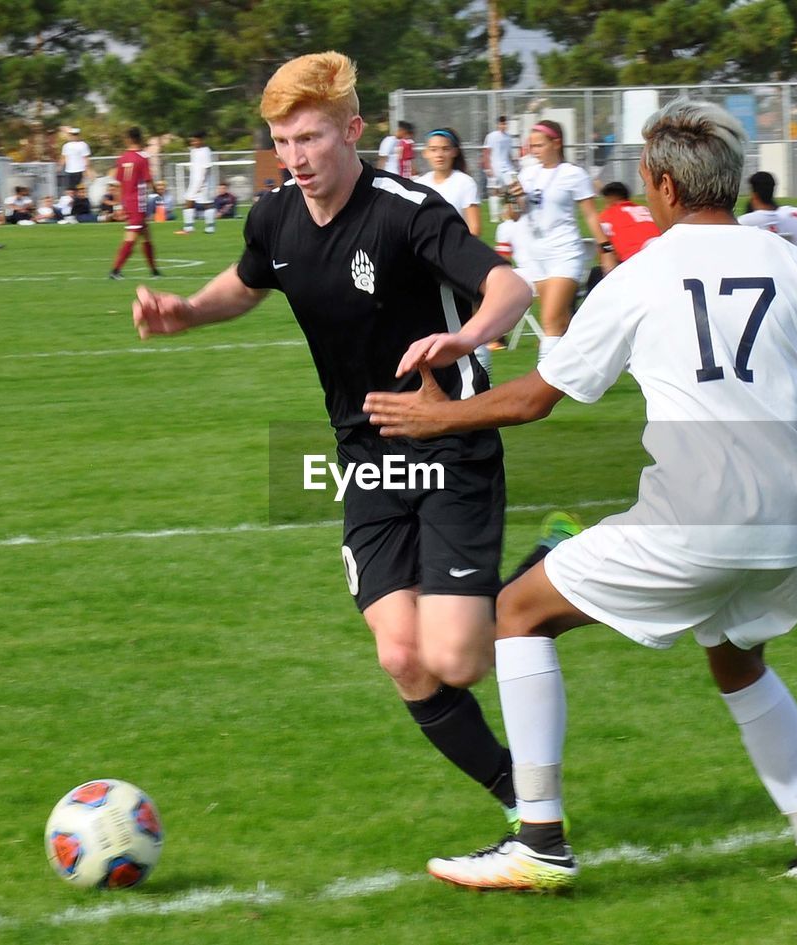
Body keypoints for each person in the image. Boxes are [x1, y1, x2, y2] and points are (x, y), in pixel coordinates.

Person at [364, 97, 797, 893]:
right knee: (738, 662)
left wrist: (438, 418)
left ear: (664, 185)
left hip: (693, 523)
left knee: (515, 614)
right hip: (785, 525)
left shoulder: (642, 276)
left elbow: (536, 397)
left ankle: (539, 838)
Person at [130, 51, 537, 833]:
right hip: (368, 458)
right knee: (403, 658)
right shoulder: (276, 215)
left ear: (353, 129)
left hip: (451, 440)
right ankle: (526, 799)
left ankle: (539, 577)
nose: (295, 159)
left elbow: (509, 286)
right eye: (282, 142)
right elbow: (247, 282)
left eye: (311, 139)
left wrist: (472, 338)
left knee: (455, 658)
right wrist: (187, 309)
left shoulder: (407, 211)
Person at [508, 119, 613, 362]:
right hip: (536, 255)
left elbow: (590, 214)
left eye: (539, 145)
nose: (534, 150)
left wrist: (605, 248)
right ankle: (591, 364)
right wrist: (513, 199)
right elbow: (514, 215)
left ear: (556, 143)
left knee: (551, 322)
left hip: (564, 252)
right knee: (562, 322)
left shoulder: (573, 174)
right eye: (531, 145)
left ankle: (543, 384)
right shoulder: (527, 174)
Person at [414, 128, 490, 374]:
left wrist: (452, 252)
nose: (439, 155)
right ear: (425, 153)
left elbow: (474, 227)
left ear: (455, 152)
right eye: (434, 150)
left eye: (445, 149)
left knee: (467, 326)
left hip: (455, 264)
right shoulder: (419, 184)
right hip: (426, 267)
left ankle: (482, 382)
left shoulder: (464, 183)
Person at [109, 126, 162, 280]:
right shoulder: (142, 157)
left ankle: (154, 271)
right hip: (138, 203)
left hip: (128, 202)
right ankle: (115, 270)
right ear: (140, 138)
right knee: (131, 238)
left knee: (146, 236)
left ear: (128, 139)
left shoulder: (122, 158)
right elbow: (148, 178)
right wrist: (156, 190)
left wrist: (118, 205)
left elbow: (117, 185)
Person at [177, 131, 215, 234]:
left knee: (207, 203)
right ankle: (189, 227)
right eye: (192, 140)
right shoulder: (193, 151)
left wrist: (202, 183)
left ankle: (210, 227)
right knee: (188, 201)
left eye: (195, 140)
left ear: (202, 140)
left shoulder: (206, 151)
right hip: (194, 181)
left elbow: (207, 168)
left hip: (203, 183)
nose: (193, 142)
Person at [481, 115, 517, 223]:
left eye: (505, 124)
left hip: (507, 167)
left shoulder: (509, 138)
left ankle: (507, 213)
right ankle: (494, 217)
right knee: (495, 191)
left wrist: (514, 164)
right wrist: (488, 167)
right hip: (495, 167)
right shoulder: (491, 136)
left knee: (512, 188)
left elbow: (509, 154)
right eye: (501, 123)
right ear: (498, 125)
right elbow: (486, 153)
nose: (503, 126)